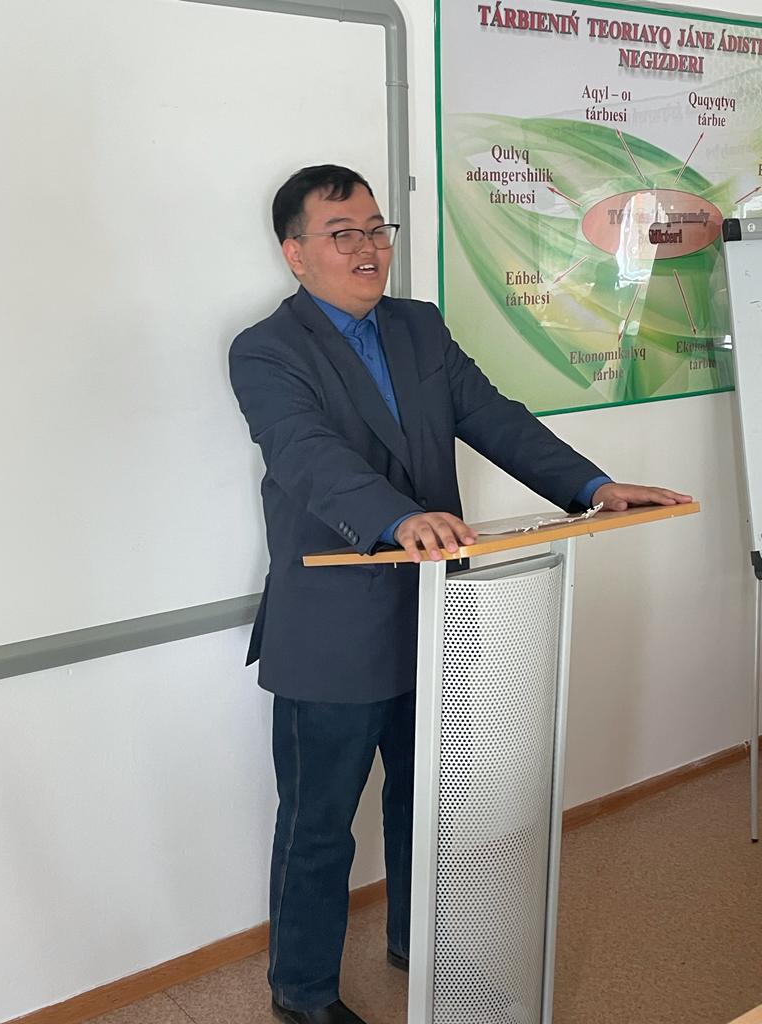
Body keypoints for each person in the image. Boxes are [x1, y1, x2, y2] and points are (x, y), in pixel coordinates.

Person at [228, 164, 692, 1024]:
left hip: (438, 613)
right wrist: (398, 517)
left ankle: (420, 941)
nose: (369, 250)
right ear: (295, 253)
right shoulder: (265, 350)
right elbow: (306, 454)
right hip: (331, 632)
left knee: (427, 804)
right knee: (318, 826)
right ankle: (302, 992)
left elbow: (493, 415)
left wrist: (592, 486)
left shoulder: (419, 326)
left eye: (377, 230)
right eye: (343, 234)